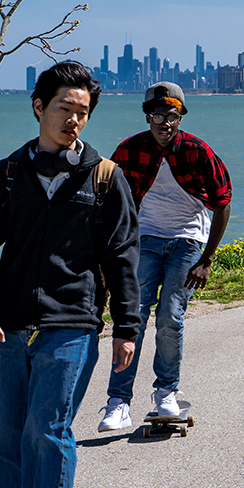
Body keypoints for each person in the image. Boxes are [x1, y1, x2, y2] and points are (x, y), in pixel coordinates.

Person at [0, 61, 141, 488]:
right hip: (8, 324)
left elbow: (124, 254)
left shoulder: (105, 179)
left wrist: (127, 326)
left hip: (71, 324)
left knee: (45, 430)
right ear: (39, 107)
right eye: (64, 108)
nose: (73, 120)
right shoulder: (6, 176)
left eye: (82, 112)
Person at [97, 82, 233, 432]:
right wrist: (107, 260)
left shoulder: (198, 150)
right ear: (148, 116)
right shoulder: (129, 150)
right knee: (133, 316)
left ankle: (165, 393)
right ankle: (118, 402)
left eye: (172, 116)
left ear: (179, 117)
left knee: (170, 316)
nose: (165, 123)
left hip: (187, 241)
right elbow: (108, 204)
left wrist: (206, 259)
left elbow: (223, 202)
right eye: (158, 115)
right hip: (144, 239)